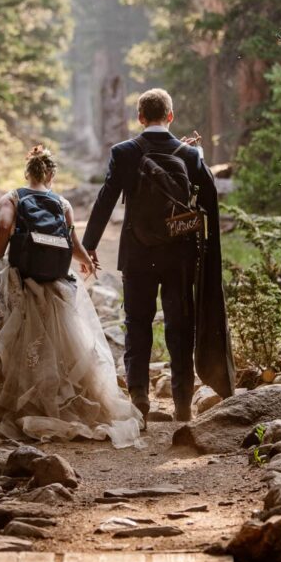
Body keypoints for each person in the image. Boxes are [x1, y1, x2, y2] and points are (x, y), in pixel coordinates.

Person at [0, 145, 143, 447]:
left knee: (18, 340)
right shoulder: (62, 203)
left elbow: (4, 226)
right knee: (63, 343)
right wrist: (86, 259)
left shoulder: (12, 197)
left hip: (23, 279)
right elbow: (72, 241)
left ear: (28, 172)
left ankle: (13, 405)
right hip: (56, 281)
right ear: (51, 174)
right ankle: (61, 399)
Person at [82, 88, 211, 426]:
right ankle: (182, 403)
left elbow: (105, 200)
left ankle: (139, 397)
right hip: (179, 255)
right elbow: (206, 207)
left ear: (140, 117)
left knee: (137, 324)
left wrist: (88, 245)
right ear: (171, 116)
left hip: (138, 254)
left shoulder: (124, 152)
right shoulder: (190, 155)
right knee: (180, 327)